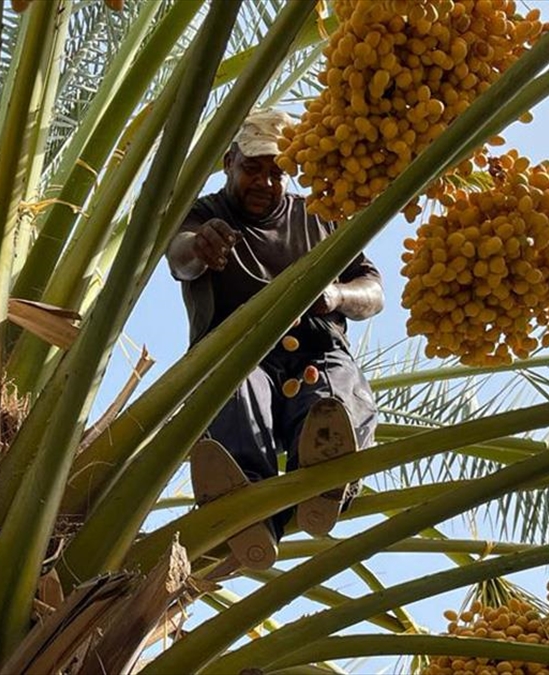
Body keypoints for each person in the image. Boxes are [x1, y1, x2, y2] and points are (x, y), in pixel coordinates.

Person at [166, 108, 384, 571]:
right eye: (253, 168)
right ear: (229, 162)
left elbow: (374, 291)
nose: (265, 182)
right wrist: (200, 247)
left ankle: (323, 485)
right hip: (242, 357)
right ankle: (247, 511)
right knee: (235, 385)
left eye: (279, 172)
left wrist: (338, 294)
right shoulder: (205, 215)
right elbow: (180, 258)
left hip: (316, 351)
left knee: (333, 395)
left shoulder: (319, 216)